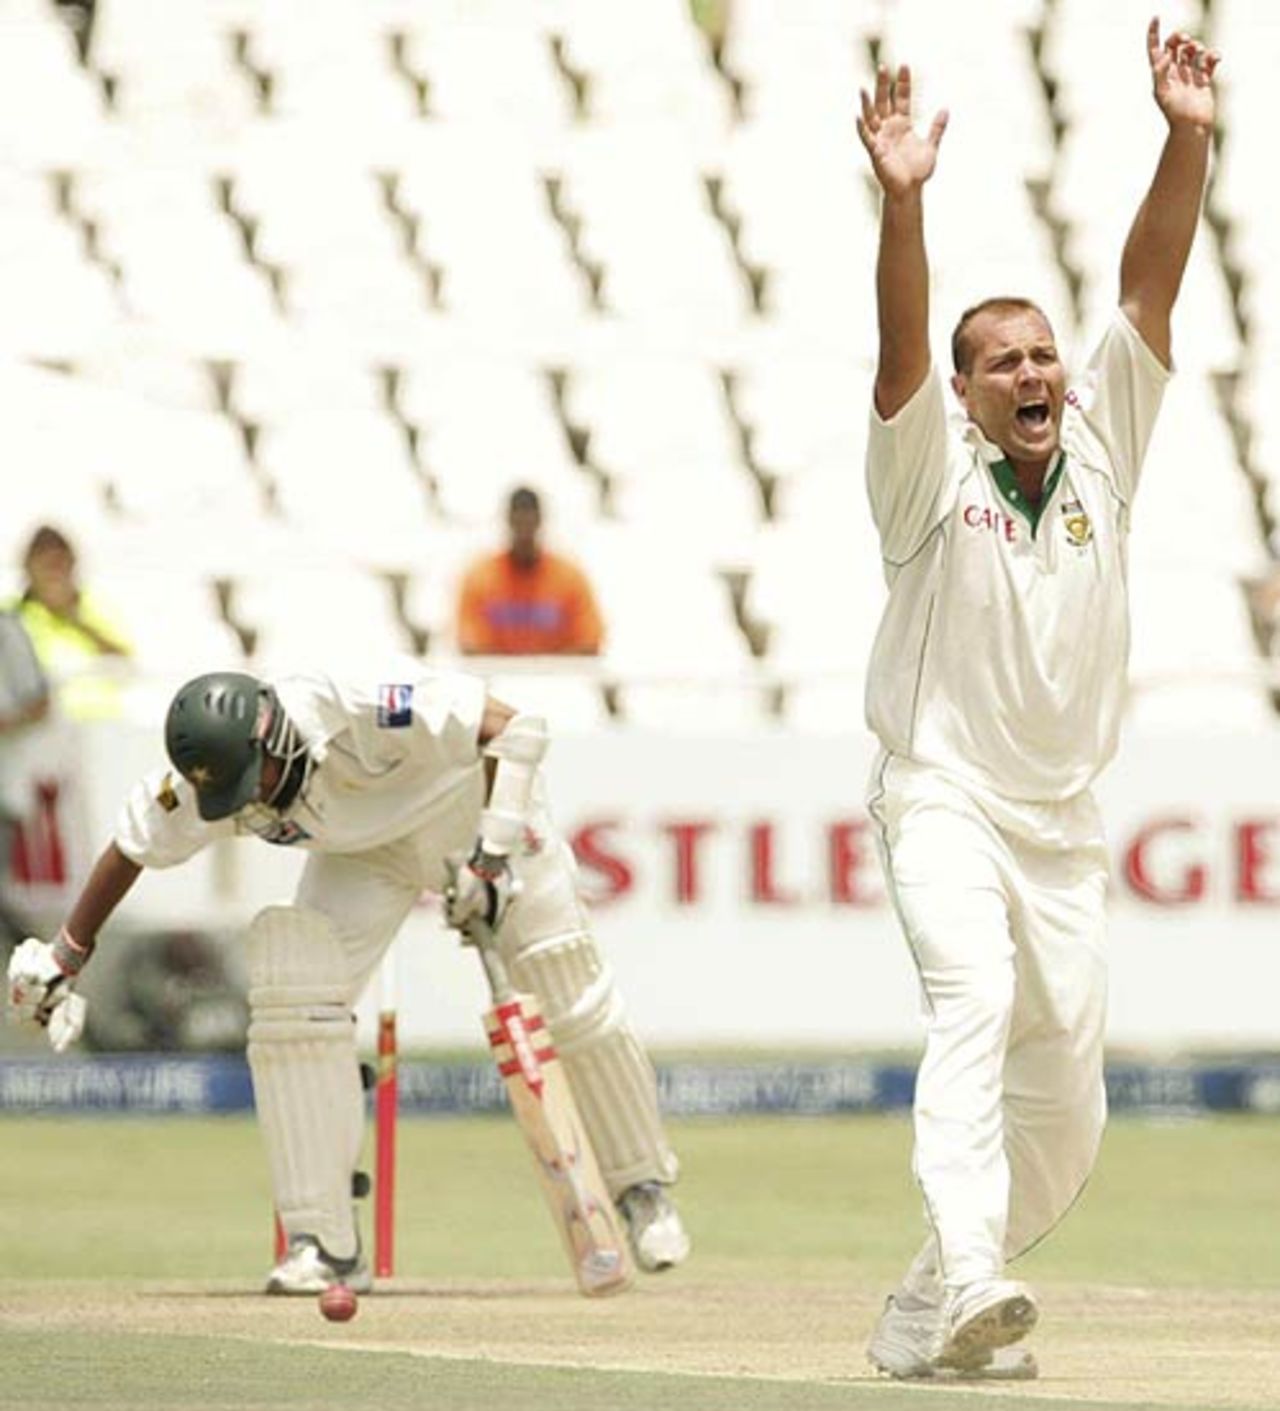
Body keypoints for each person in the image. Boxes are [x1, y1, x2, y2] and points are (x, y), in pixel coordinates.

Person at [855, 20, 1218, 1381]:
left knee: (1066, 1114)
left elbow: (1150, 292)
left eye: (1041, 357)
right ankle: (967, 1274)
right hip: (941, 789)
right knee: (973, 1008)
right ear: (962, 393)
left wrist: (1184, 136)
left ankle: (919, 1307)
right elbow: (897, 358)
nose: (1032, 375)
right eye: (1001, 362)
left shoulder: (1105, 448)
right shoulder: (923, 478)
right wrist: (905, 203)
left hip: (1062, 819)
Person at [7, 664, 688, 1291]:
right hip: (363, 859)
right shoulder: (209, 778)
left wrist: (490, 860)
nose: (258, 804)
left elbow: (516, 728)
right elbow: (132, 847)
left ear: (275, 735)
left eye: (259, 781)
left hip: (471, 816)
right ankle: (323, 1241)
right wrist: (65, 955)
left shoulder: (358, 705)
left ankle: (641, 1188)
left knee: (564, 985)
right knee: (293, 985)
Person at [456, 486, 605, 656]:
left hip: (559, 680)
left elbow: (590, 642)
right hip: (497, 679)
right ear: (508, 521)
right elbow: (469, 644)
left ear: (540, 520)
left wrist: (542, 669)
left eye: (529, 518)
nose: (524, 527)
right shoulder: (480, 576)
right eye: (518, 519)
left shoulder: (569, 576)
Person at [11, 524, 132, 720]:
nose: (53, 573)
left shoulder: (99, 606)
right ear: (28, 568)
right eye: (45, 565)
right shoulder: (11, 616)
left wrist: (72, 619)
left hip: (98, 726)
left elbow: (125, 661)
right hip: (31, 735)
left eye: (58, 564)